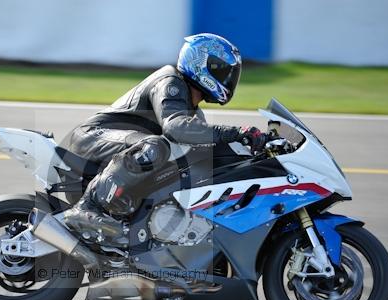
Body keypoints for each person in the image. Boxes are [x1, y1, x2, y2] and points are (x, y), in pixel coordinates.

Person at [62, 33, 267, 244]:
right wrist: (234, 132)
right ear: (199, 62)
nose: (228, 79)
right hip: (92, 137)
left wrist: (255, 147)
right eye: (222, 71)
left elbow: (201, 146)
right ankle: (88, 207)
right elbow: (175, 127)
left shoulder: (193, 112)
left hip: (121, 149)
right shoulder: (170, 81)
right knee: (155, 146)